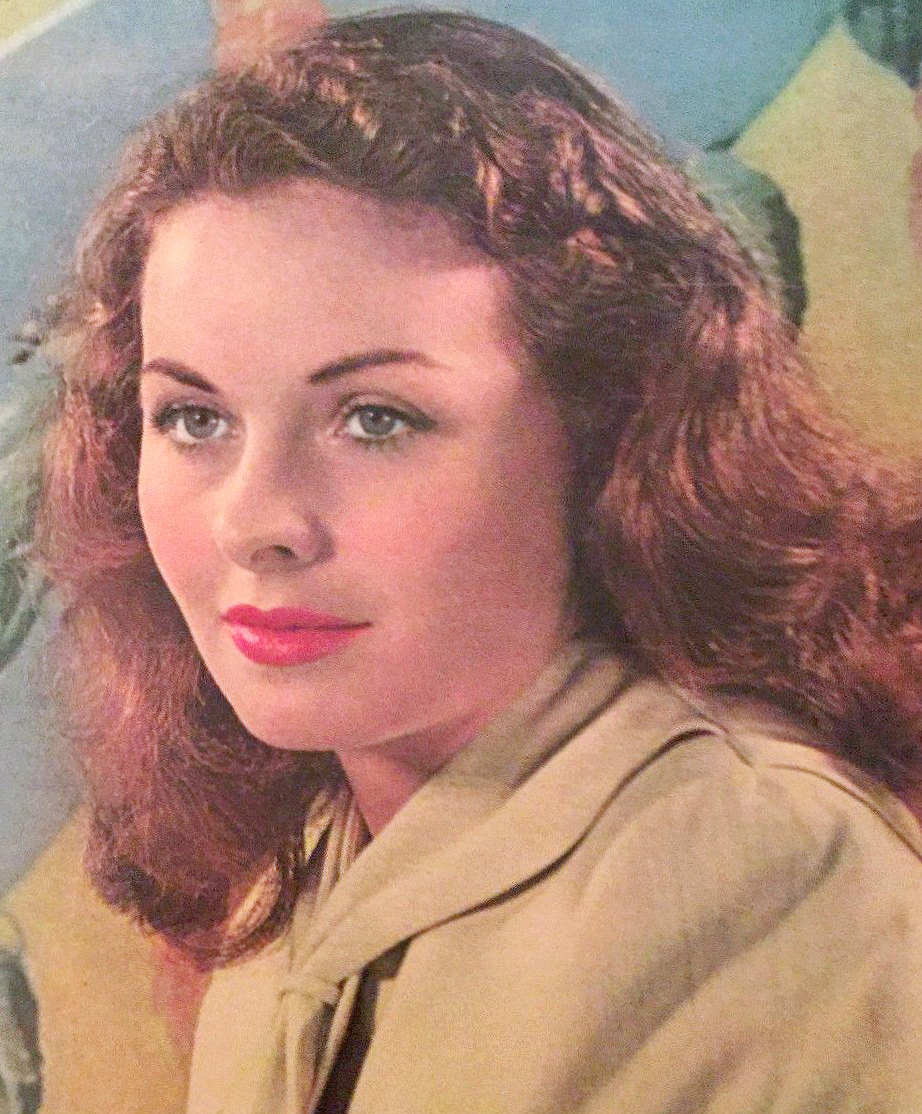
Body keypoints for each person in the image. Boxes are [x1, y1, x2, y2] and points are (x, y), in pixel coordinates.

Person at [31, 9, 922, 1113]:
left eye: (376, 418)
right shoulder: (313, 856)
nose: (253, 521)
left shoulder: (763, 886)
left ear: (605, 433)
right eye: (194, 419)